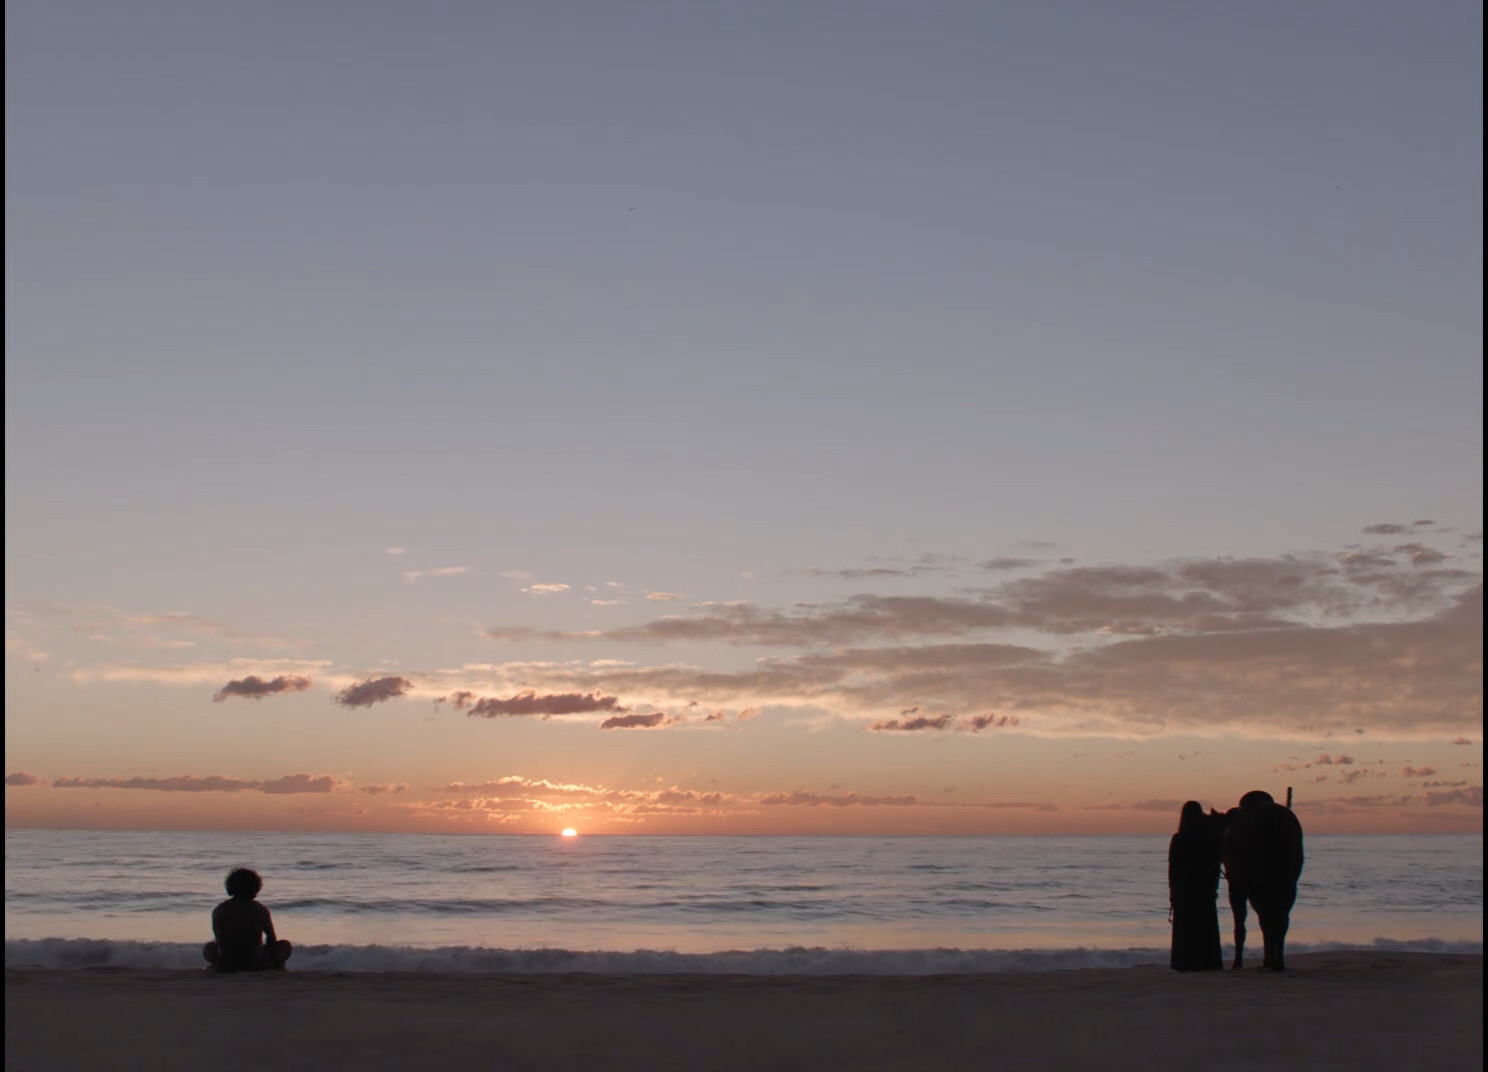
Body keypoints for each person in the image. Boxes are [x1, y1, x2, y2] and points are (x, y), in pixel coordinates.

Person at [1168, 801, 1223, 971]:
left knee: (1185, 927)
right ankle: (1208, 962)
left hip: (1184, 886)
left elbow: (1173, 868)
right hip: (1204, 886)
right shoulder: (1209, 840)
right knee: (1205, 926)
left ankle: (1184, 963)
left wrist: (1172, 891)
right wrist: (1214, 887)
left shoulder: (1179, 839)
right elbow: (1215, 866)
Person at [203, 867, 293, 972]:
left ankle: (218, 965)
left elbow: (220, 938)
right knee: (285, 945)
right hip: (255, 963)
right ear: (256, 887)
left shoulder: (219, 910)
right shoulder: (260, 910)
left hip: (226, 963)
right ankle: (277, 968)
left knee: (209, 947)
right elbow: (271, 940)